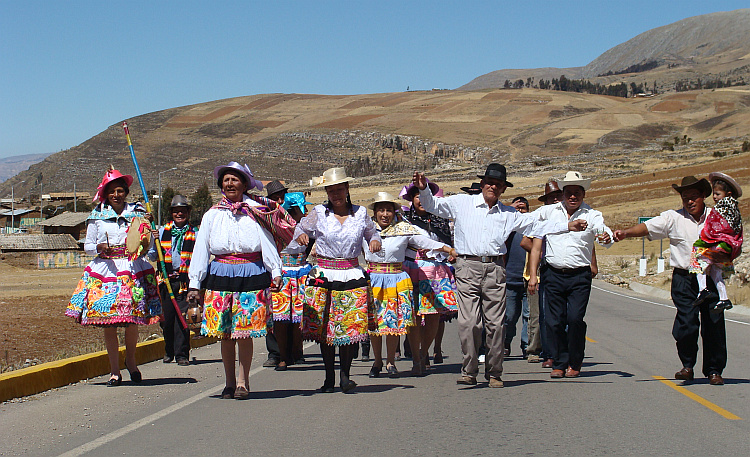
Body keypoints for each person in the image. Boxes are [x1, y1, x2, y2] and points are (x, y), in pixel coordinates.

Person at [412, 164, 584, 388]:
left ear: (503, 189)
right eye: (490, 183)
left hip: (494, 268)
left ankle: (494, 372)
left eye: (498, 184)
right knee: (469, 323)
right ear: (482, 184)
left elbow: (537, 224)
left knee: (495, 324)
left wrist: (567, 226)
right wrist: (424, 188)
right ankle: (469, 369)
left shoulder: (508, 214)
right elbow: (431, 205)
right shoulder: (461, 203)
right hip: (467, 266)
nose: (493, 186)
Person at [614, 176, 727, 385]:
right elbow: (648, 227)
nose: (690, 202)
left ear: (703, 196)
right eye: (686, 198)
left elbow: (731, 239)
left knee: (714, 324)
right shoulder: (672, 218)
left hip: (711, 278)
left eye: (694, 197)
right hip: (684, 279)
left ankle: (714, 370)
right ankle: (687, 366)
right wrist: (625, 233)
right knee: (687, 324)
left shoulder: (716, 217)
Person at [187, 162, 282, 400]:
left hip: (251, 272)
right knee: (225, 332)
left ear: (245, 184)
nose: (230, 184)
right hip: (220, 273)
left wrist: (276, 271)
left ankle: (243, 381)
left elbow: (267, 242)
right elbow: (201, 249)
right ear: (221, 185)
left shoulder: (256, 210)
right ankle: (228, 383)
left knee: (245, 332)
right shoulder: (212, 214)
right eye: (226, 180)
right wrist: (194, 283)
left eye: (235, 179)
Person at [66, 167, 162, 386]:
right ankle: (114, 370)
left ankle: (131, 361)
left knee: (131, 320)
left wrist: (150, 233)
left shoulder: (138, 213)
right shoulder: (97, 216)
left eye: (120, 190)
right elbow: (88, 246)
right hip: (105, 272)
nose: (116, 195)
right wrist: (99, 247)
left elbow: (146, 246)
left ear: (126, 192)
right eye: (112, 191)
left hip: (132, 270)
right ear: (105, 194)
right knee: (108, 323)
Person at [294, 167, 382, 393]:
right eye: (331, 190)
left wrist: (374, 240)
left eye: (339, 189)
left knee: (348, 326)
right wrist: (302, 235)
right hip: (324, 273)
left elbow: (373, 232)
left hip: (351, 273)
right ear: (326, 191)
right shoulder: (318, 213)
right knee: (325, 329)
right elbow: (299, 229)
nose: (335, 194)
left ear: (347, 189)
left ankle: (345, 375)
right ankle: (328, 377)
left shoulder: (360, 213)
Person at [527, 171, 613, 379]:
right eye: (569, 193)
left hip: (579, 276)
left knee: (574, 319)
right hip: (553, 274)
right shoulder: (548, 212)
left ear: (583, 195)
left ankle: (575, 361)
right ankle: (559, 362)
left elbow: (604, 235)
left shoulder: (592, 215)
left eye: (577, 193)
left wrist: (605, 237)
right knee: (554, 321)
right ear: (563, 194)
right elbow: (526, 222)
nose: (573, 197)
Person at [365, 192, 456, 378]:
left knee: (392, 321)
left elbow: (425, 241)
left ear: (394, 212)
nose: (384, 214)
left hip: (395, 278)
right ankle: (377, 361)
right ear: (374, 212)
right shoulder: (366, 230)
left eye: (388, 210)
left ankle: (390, 361)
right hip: (372, 279)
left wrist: (446, 248)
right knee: (373, 323)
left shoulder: (403, 229)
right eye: (381, 210)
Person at [401, 179, 458, 375]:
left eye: (423, 195)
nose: (420, 200)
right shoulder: (404, 221)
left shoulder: (441, 220)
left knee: (434, 315)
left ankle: (424, 352)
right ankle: (416, 357)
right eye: (416, 196)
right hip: (412, 269)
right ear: (412, 198)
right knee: (414, 315)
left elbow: (450, 242)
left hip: (437, 270)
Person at [148, 195, 195, 366]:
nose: (179, 214)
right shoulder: (161, 232)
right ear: (171, 213)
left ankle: (182, 354)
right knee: (166, 320)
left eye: (182, 211)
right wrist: (154, 242)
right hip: (165, 281)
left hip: (184, 282)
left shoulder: (194, 233)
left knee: (182, 319)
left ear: (188, 213)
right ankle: (169, 351)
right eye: (176, 211)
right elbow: (153, 255)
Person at [270, 192, 314, 371]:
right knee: (280, 317)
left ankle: (297, 351)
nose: (305, 212)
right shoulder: (276, 226)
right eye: (302, 209)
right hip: (281, 273)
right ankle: (282, 355)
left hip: (300, 273)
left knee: (298, 316)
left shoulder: (306, 227)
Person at [690, 172, 743, 312]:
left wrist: (706, 236)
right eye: (714, 194)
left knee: (698, 257)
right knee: (715, 271)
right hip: (728, 245)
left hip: (719, 243)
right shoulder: (735, 208)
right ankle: (724, 298)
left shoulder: (721, 208)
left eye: (717, 194)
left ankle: (703, 289)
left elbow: (714, 226)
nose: (714, 197)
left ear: (728, 193)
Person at [524, 179, 562, 366]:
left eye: (558, 196)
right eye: (551, 197)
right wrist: (542, 254)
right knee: (542, 314)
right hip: (544, 269)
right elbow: (526, 241)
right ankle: (541, 350)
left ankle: (558, 351)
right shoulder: (541, 218)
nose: (555, 200)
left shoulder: (569, 215)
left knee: (564, 315)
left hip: (564, 268)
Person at [262, 179, 291, 368]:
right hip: (269, 269)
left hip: (291, 269)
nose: (279, 201)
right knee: (271, 313)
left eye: (281, 197)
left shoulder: (291, 217)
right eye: (275, 198)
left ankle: (290, 351)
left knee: (289, 314)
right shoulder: (263, 218)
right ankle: (274, 352)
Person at [504, 196, 530, 358]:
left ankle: (528, 346)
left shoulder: (532, 229)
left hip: (531, 278)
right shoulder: (506, 228)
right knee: (510, 315)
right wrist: (509, 210)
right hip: (510, 277)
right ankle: (506, 342)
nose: (520, 212)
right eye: (517, 209)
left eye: (523, 209)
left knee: (529, 315)